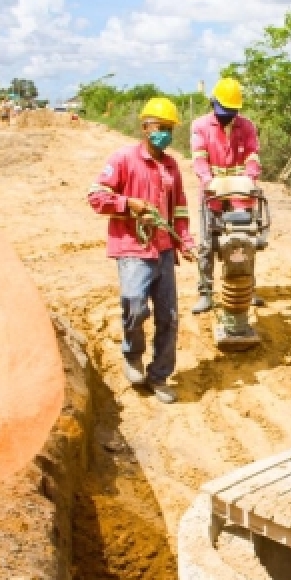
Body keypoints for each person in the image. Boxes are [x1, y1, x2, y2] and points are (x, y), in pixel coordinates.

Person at [87, 97, 197, 403]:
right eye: (160, 127)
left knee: (169, 316)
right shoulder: (122, 159)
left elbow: (179, 210)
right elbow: (96, 197)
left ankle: (159, 375)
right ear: (145, 127)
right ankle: (132, 354)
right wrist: (129, 205)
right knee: (135, 304)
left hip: (163, 251)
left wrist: (184, 241)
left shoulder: (172, 165)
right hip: (133, 248)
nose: (164, 134)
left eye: (170, 129)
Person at [188, 77, 261, 314]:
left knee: (244, 242)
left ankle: (246, 289)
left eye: (231, 112)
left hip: (240, 193)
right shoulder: (200, 126)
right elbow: (199, 158)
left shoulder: (247, 126)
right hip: (213, 194)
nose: (226, 116)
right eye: (223, 112)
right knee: (208, 244)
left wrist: (250, 177)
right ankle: (206, 292)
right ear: (213, 104)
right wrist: (208, 181)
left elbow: (252, 155)